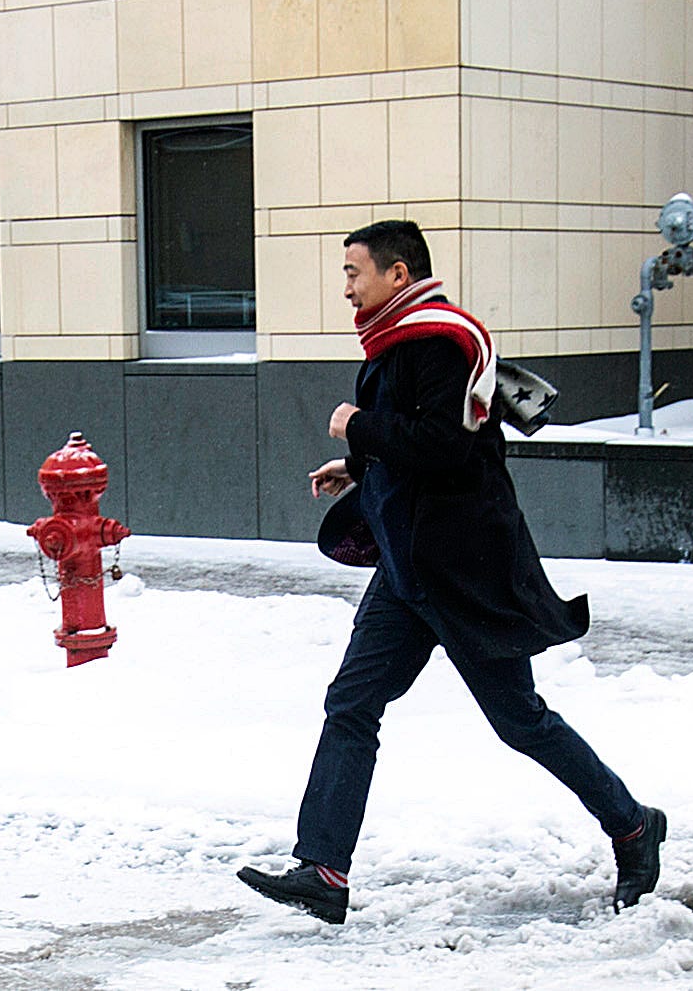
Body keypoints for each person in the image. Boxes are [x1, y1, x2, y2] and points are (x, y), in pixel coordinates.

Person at [238, 220, 664, 924]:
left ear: (397, 274)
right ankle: (323, 869)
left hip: (464, 570)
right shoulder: (399, 337)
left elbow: (444, 445)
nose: (346, 286)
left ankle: (634, 824)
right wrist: (360, 465)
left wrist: (357, 427)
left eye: (354, 271)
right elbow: (427, 441)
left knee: (520, 721)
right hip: (409, 568)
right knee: (352, 700)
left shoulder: (436, 338)